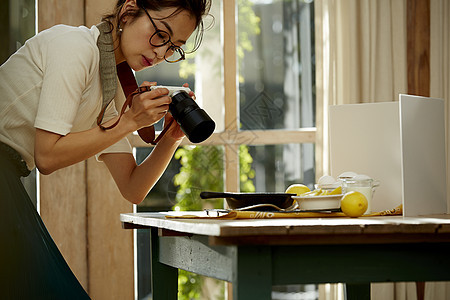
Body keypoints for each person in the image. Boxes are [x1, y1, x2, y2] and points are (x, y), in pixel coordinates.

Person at [0, 0, 211, 298]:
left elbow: (133, 187)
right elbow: (47, 156)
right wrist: (130, 121)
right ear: (128, 11)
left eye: (173, 47)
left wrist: (170, 138)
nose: (162, 53)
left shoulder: (107, 87)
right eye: (161, 35)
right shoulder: (75, 46)